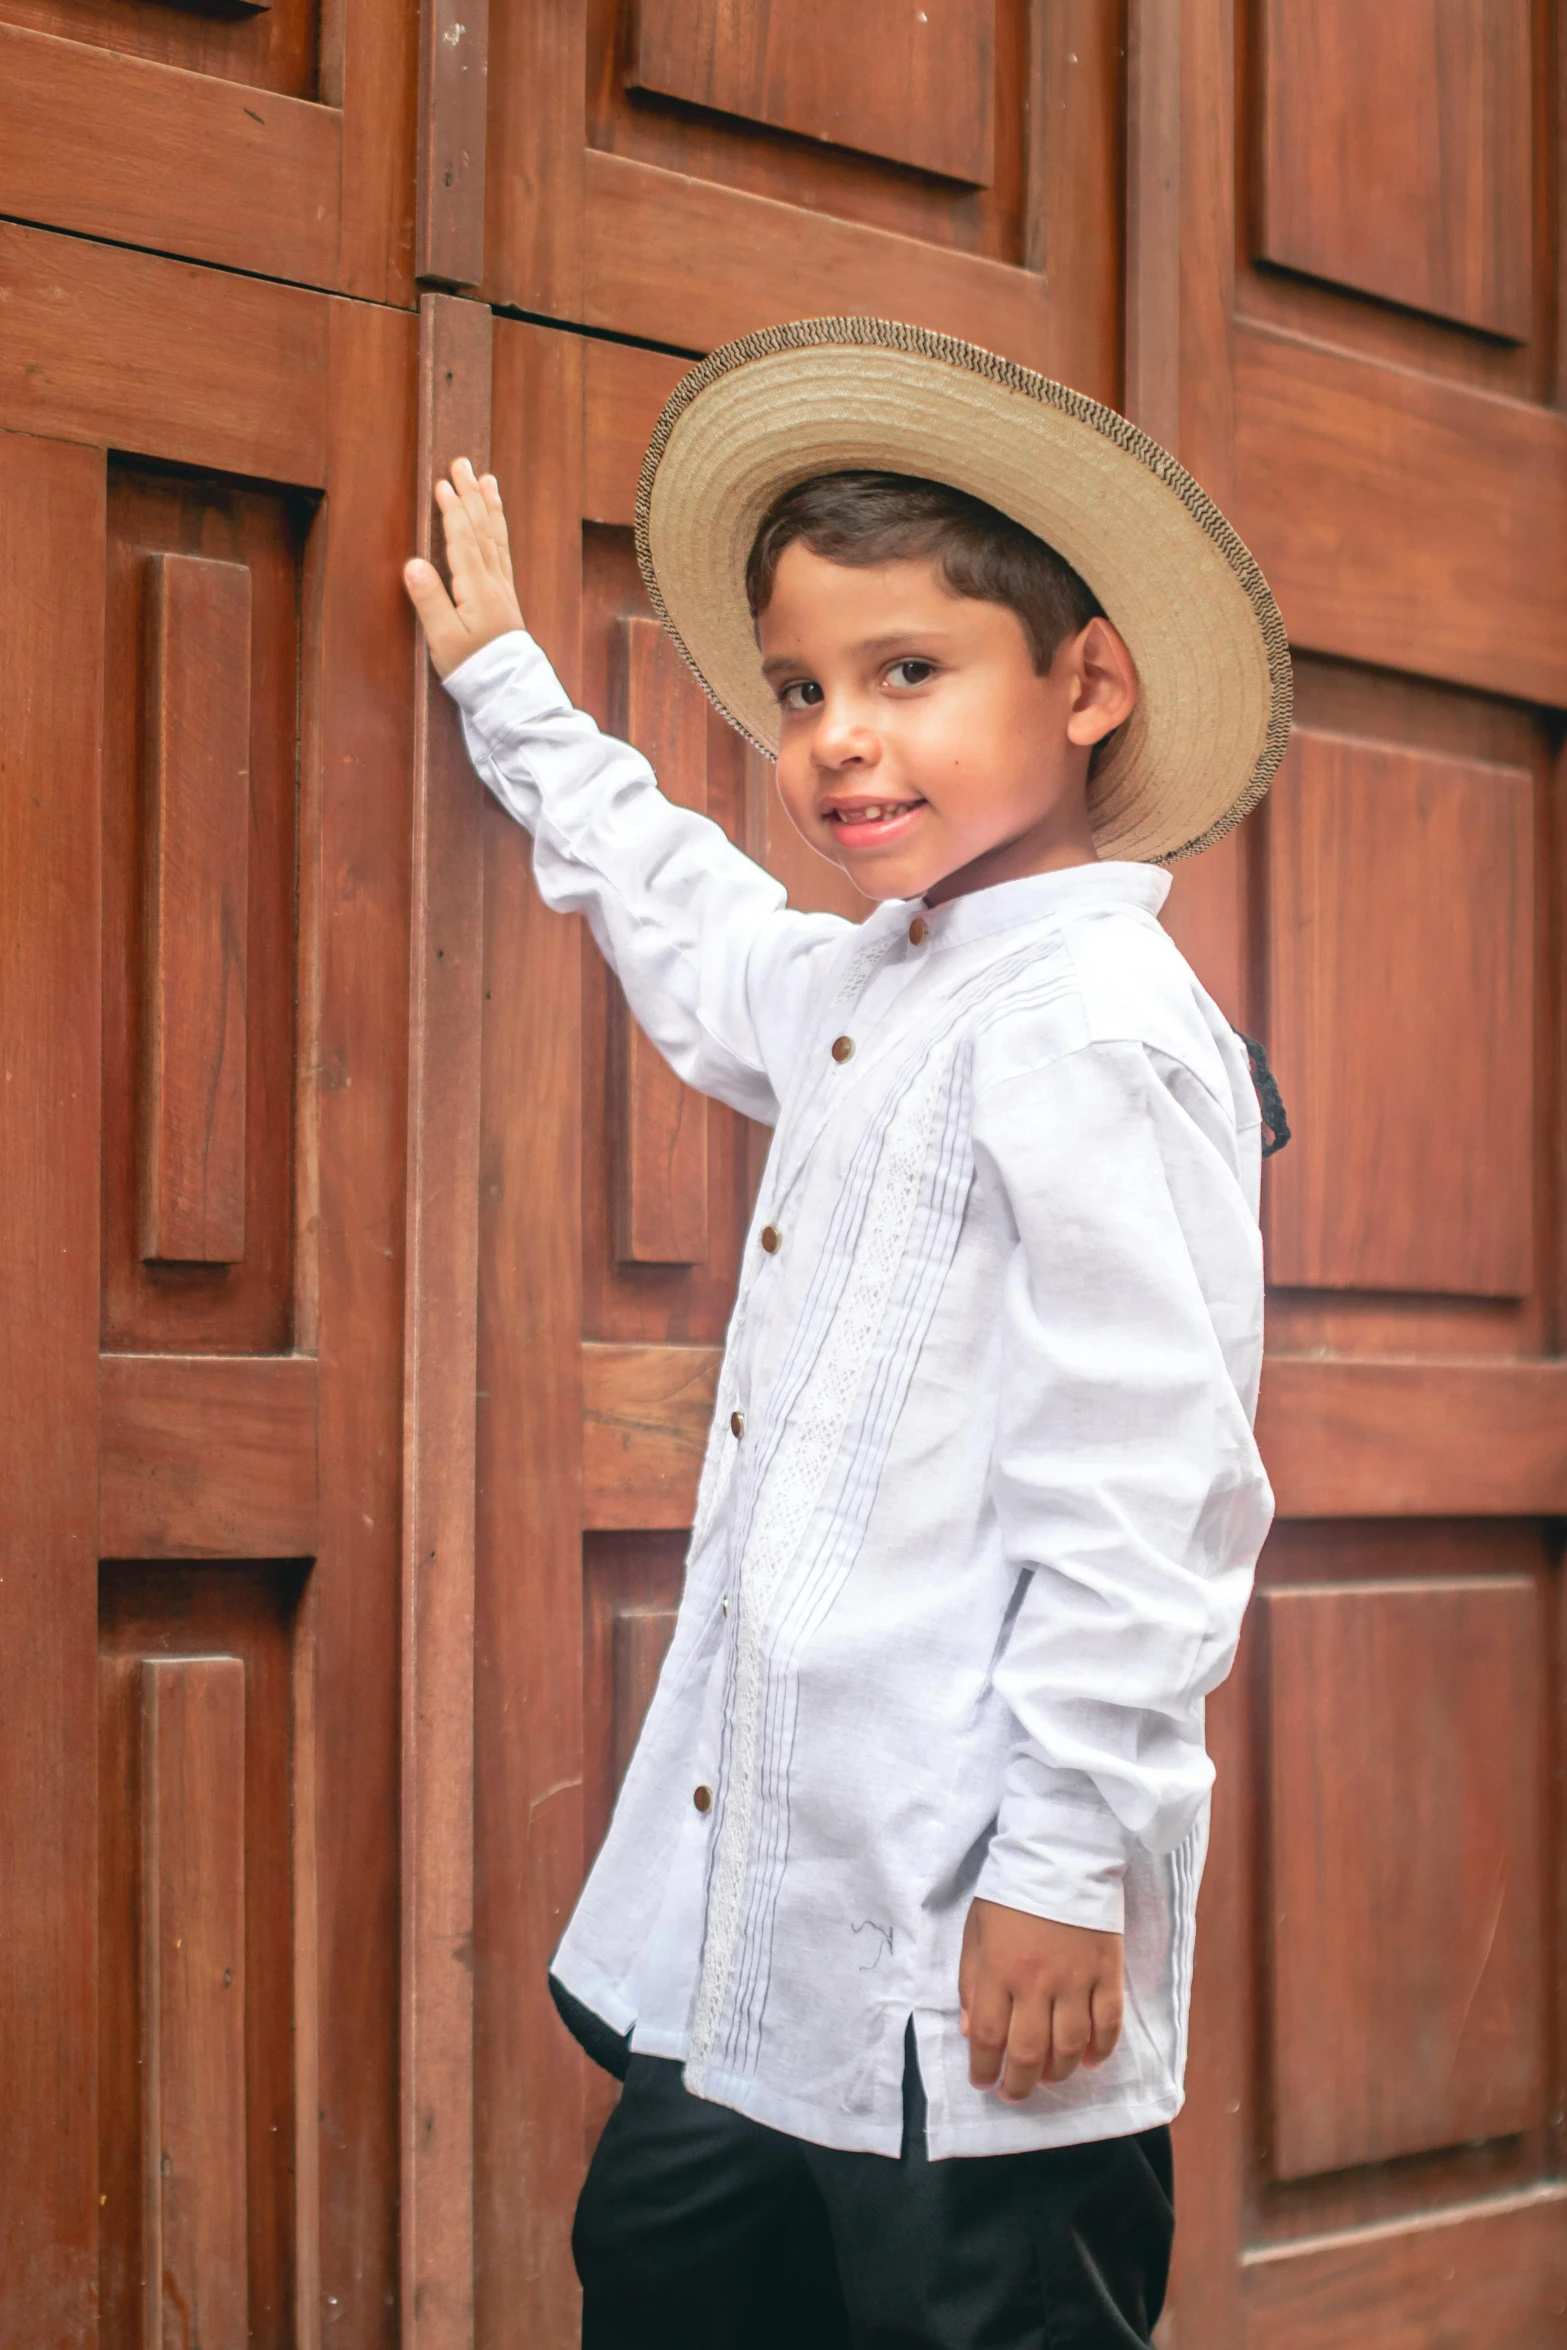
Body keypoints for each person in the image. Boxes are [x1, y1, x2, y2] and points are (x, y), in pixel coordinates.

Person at [404, 318, 1288, 2350]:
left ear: (1083, 684)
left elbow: (1154, 1490)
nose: (836, 739)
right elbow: (689, 916)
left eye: (907, 674)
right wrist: (508, 692)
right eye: (803, 689)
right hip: (755, 1932)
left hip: (974, 1947)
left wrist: (1068, 1862)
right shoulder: (881, 986)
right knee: (666, 2276)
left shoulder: (1095, 1023)